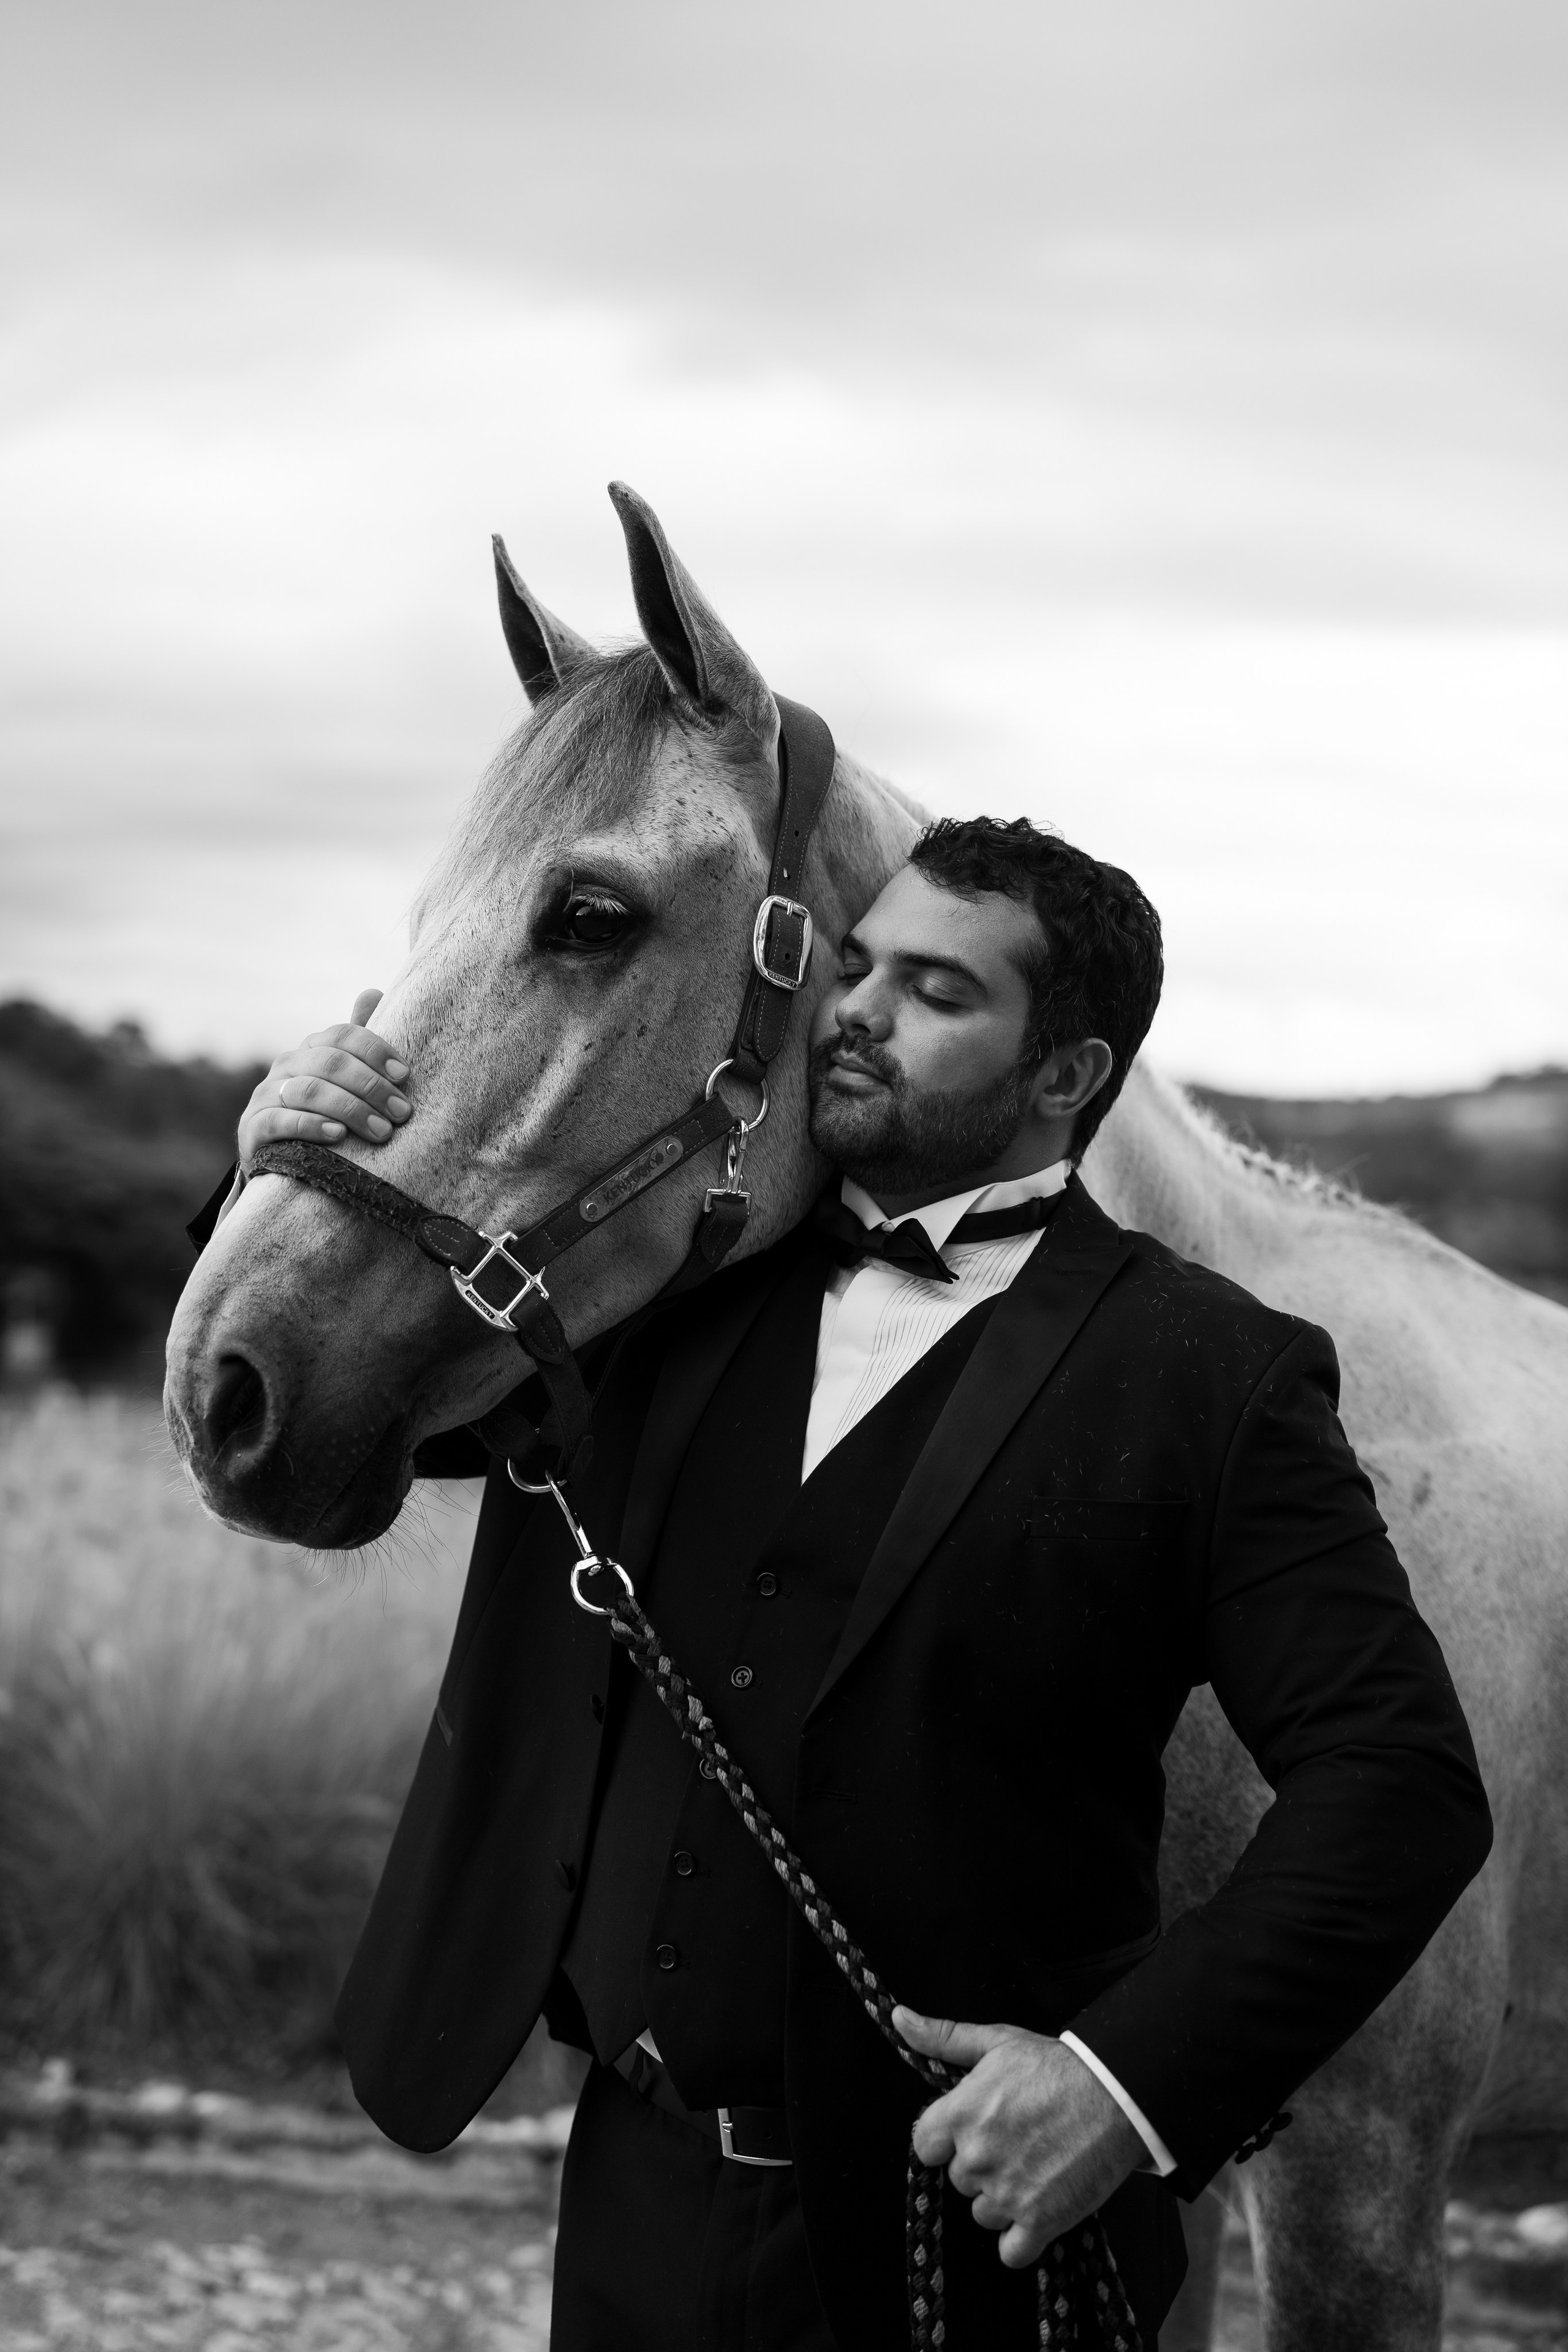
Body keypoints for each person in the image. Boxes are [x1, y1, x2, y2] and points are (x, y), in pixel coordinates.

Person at [227, 816, 1491, 2351]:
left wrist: (1120, 2088)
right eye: (859, 964)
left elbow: (1399, 1785)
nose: (855, 1011)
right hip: (636, 2204)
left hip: (969, 2244)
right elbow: (328, 1411)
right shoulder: (661, 1297)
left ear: (1065, 1077)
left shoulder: (1211, 1372)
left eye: (936, 992)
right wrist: (281, 1161)